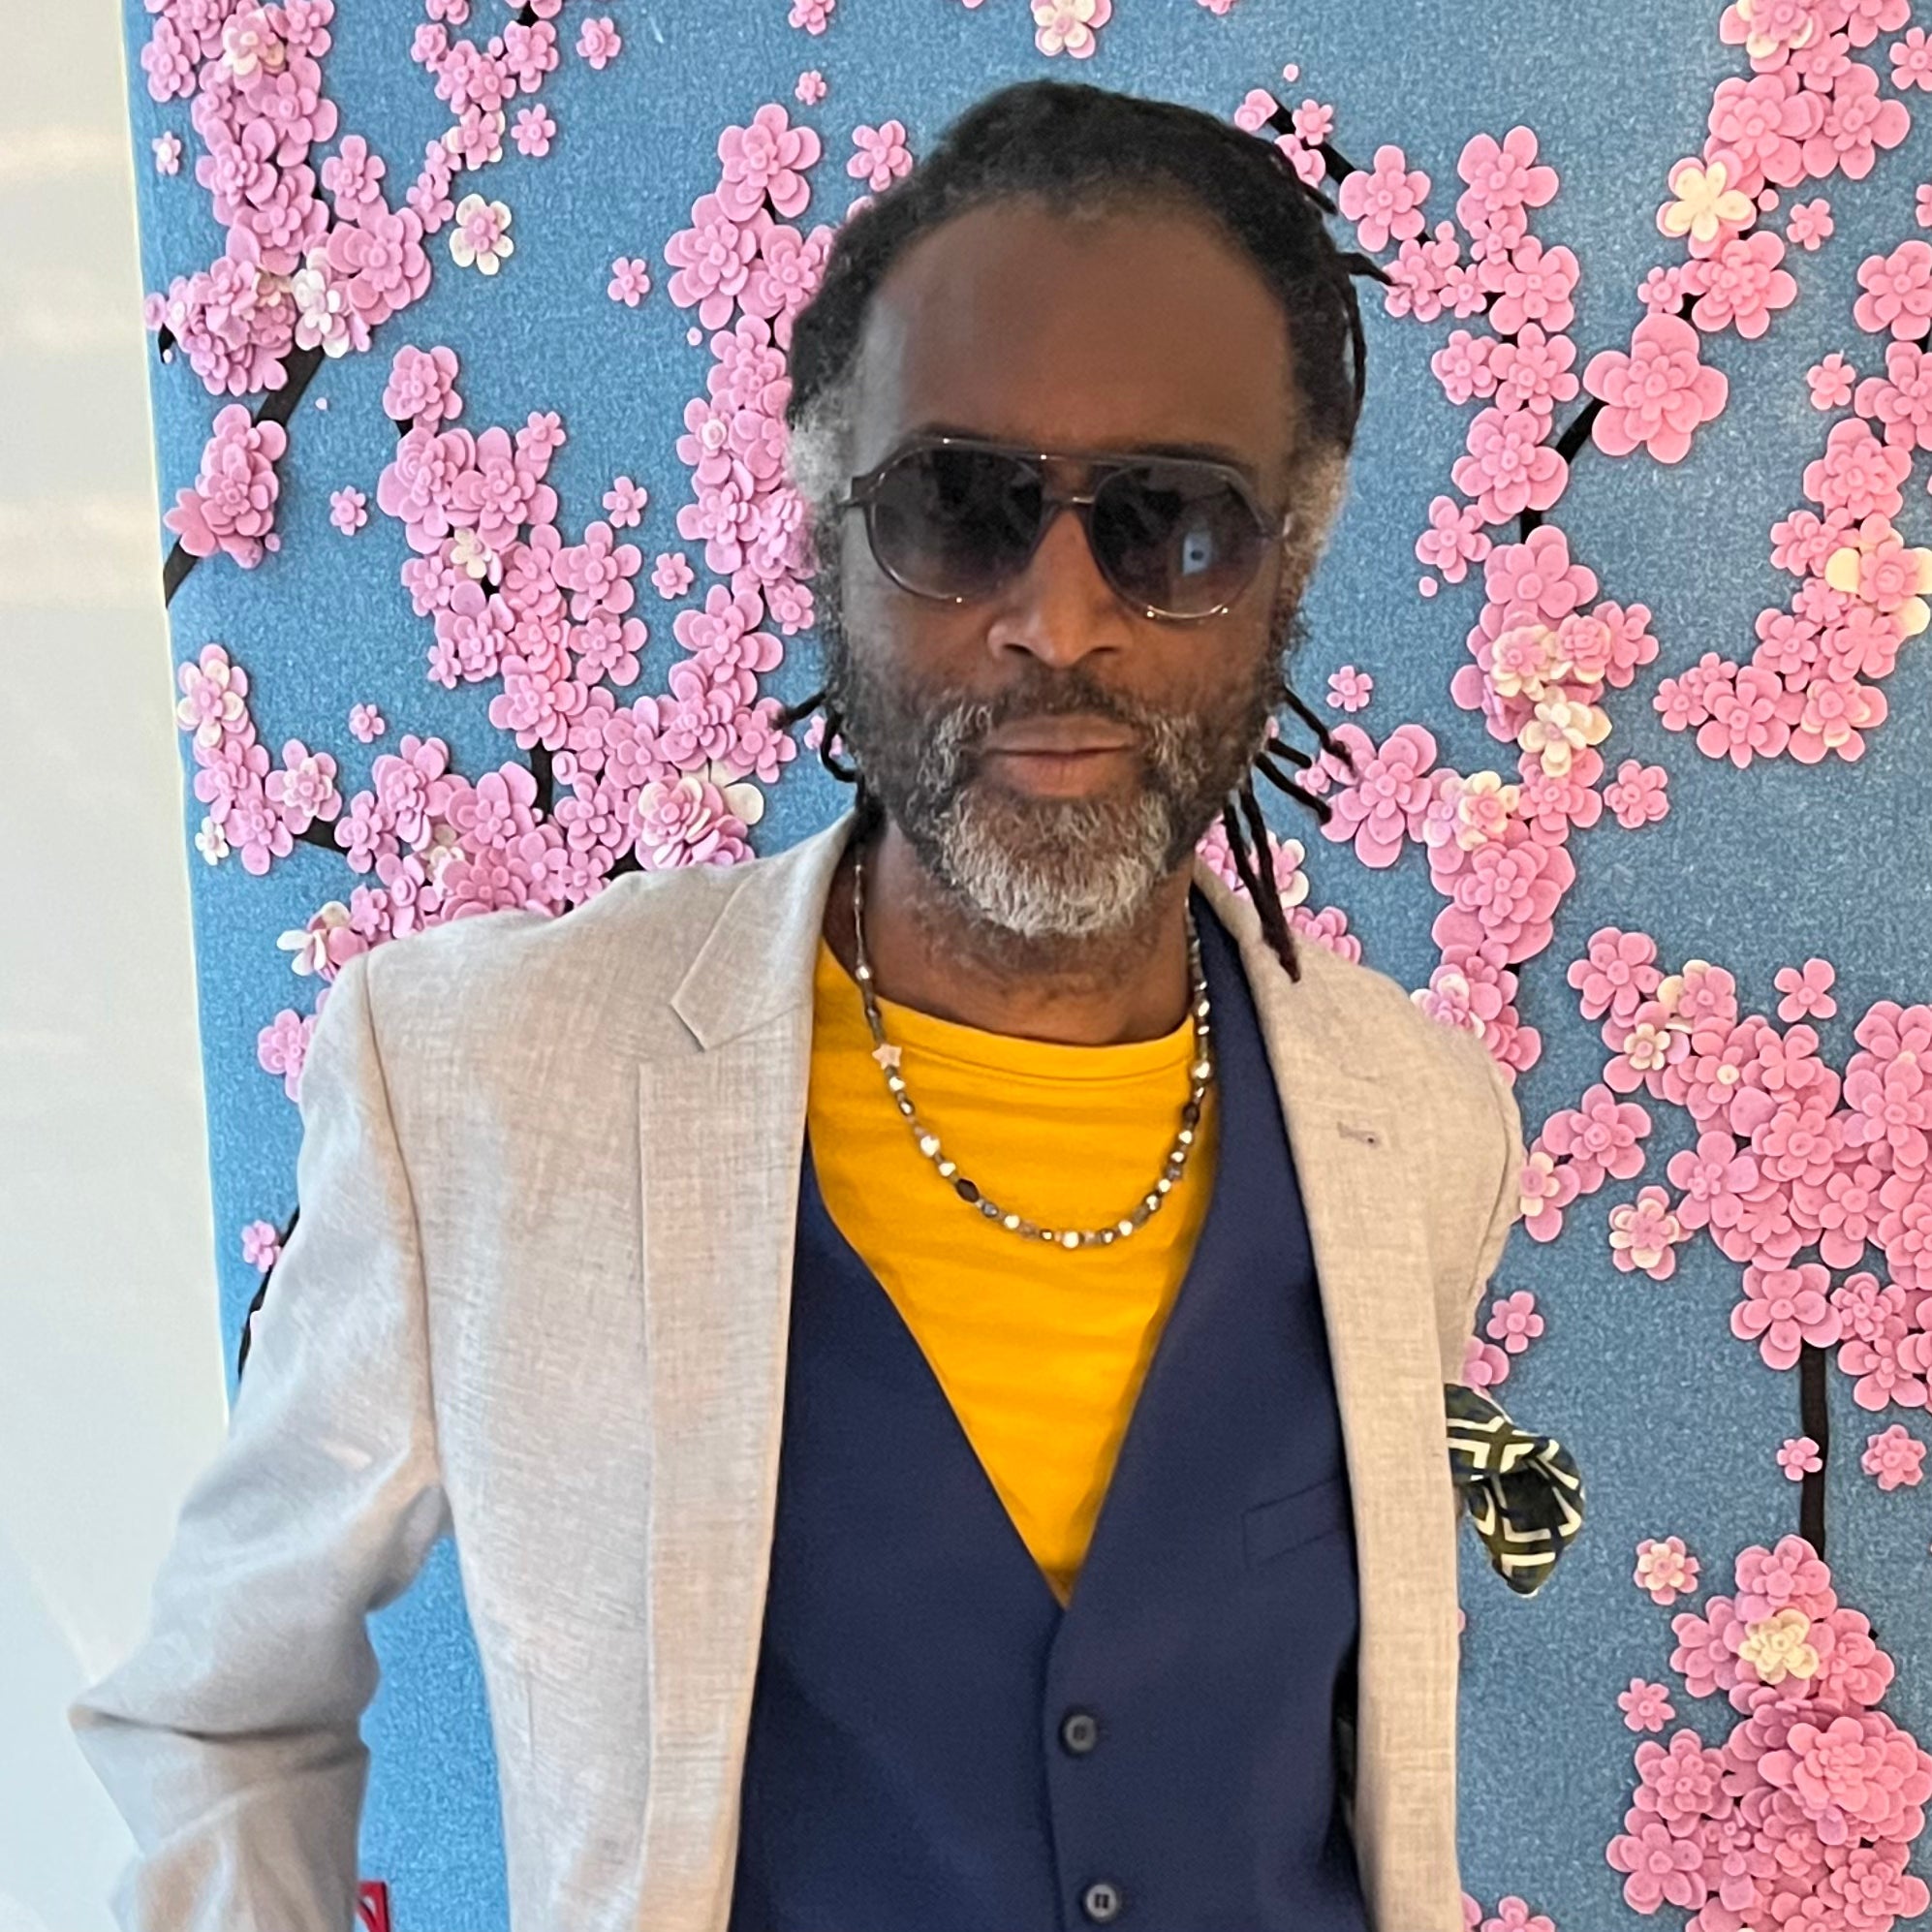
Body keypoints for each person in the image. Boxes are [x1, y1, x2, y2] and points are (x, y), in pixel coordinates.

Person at [72, 77, 1532, 1932]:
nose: (1058, 619)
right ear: (826, 533)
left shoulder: (1422, 1132)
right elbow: (217, 1710)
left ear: (1285, 567)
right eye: (959, 508)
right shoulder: (485, 1090)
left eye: (1171, 522)